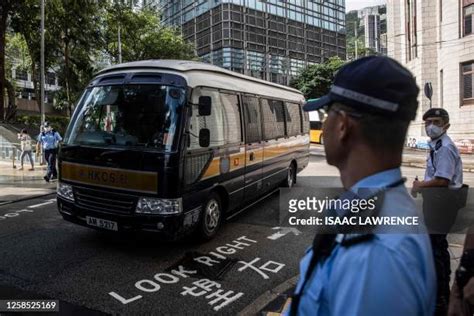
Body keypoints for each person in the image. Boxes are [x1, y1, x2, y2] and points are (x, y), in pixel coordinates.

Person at [286, 56, 436, 316]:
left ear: (342, 125)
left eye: (327, 113)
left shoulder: (374, 254)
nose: (323, 124)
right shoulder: (374, 205)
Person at [411, 108, 464, 315]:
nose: (430, 126)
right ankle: (441, 292)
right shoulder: (437, 146)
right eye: (427, 122)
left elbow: (442, 180)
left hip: (443, 204)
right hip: (439, 202)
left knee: (436, 247)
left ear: (446, 125)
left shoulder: (444, 147)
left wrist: (419, 186)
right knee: (437, 245)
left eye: (435, 121)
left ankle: (441, 297)